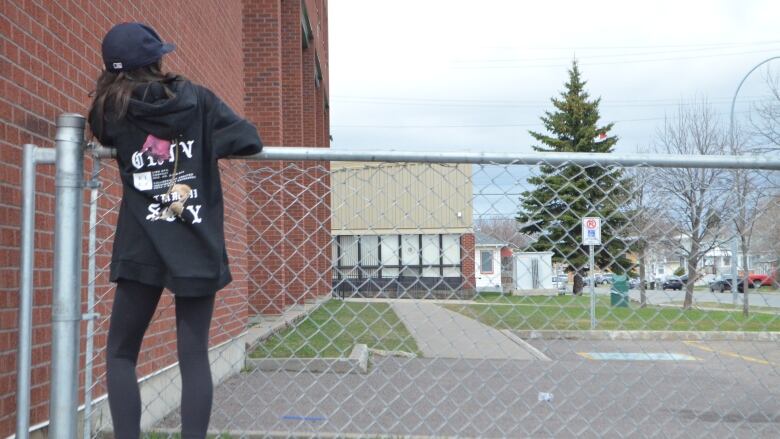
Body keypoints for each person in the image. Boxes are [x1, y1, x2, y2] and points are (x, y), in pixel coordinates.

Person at [88, 22, 263, 439]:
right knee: (193, 355)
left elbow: (102, 128)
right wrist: (202, 144)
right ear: (156, 61)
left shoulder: (111, 111)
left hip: (142, 242)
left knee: (121, 353)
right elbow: (249, 140)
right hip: (195, 242)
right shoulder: (198, 102)